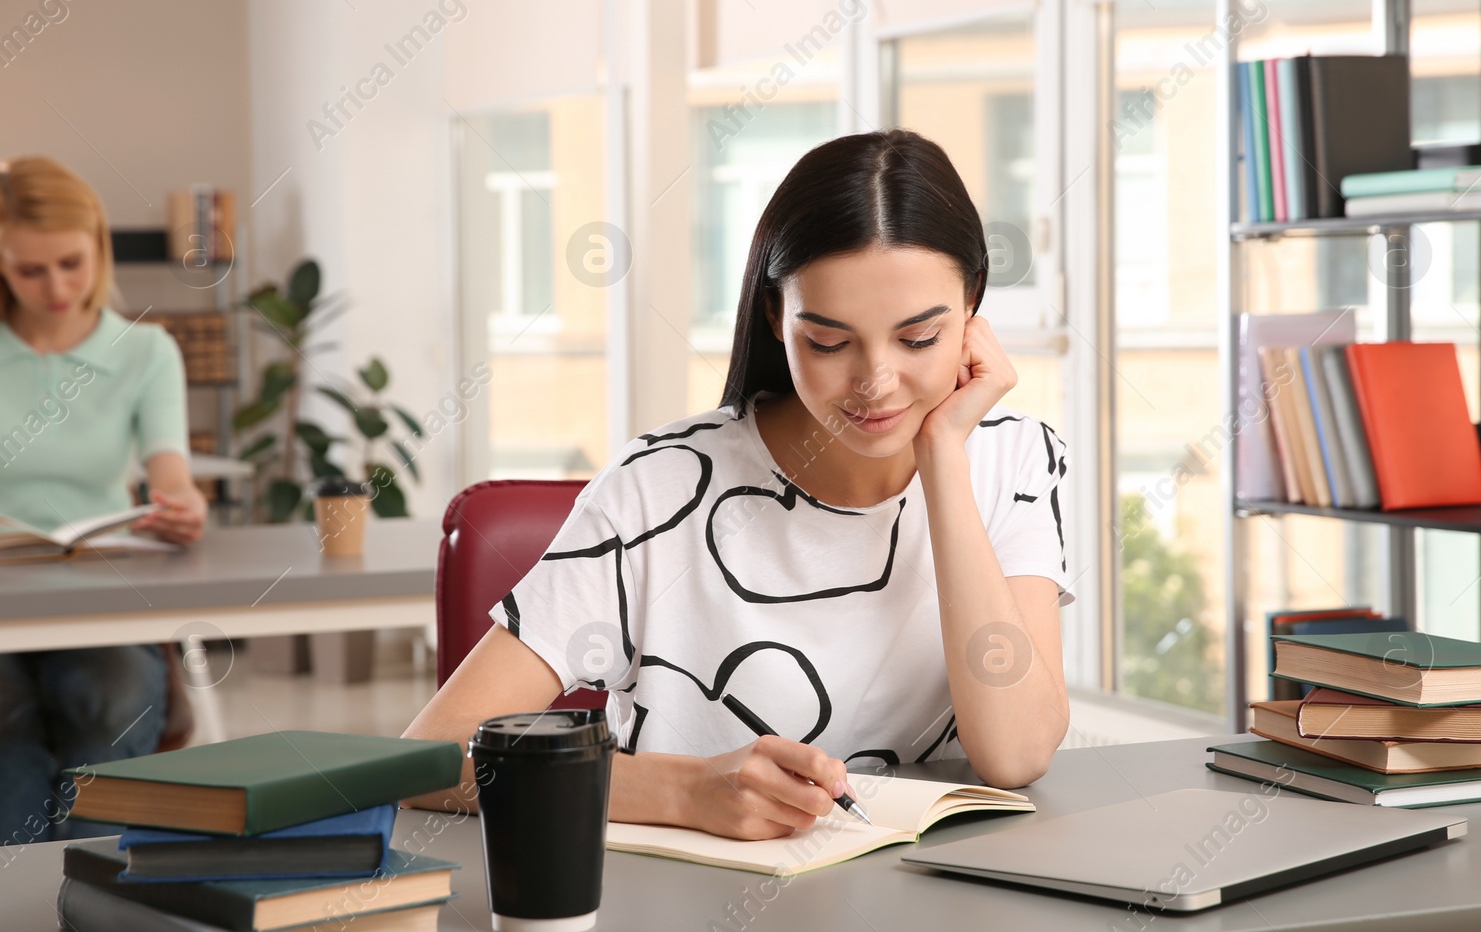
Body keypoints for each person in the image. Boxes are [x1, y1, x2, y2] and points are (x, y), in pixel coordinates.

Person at [404, 130, 1072, 840]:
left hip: (925, 917)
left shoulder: (1013, 460)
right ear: (775, 317)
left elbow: (1015, 752)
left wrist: (942, 457)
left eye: (917, 340)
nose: (875, 383)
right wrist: (683, 791)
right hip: (681, 920)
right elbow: (431, 754)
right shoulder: (657, 490)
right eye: (828, 342)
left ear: (971, 308)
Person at [0, 156, 209, 844]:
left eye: (71, 262)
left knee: (113, 695)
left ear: (98, 245)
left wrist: (182, 508)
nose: (56, 286)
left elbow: (169, 476)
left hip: (100, 600)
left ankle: (84, 889)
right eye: (30, 270)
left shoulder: (145, 352)